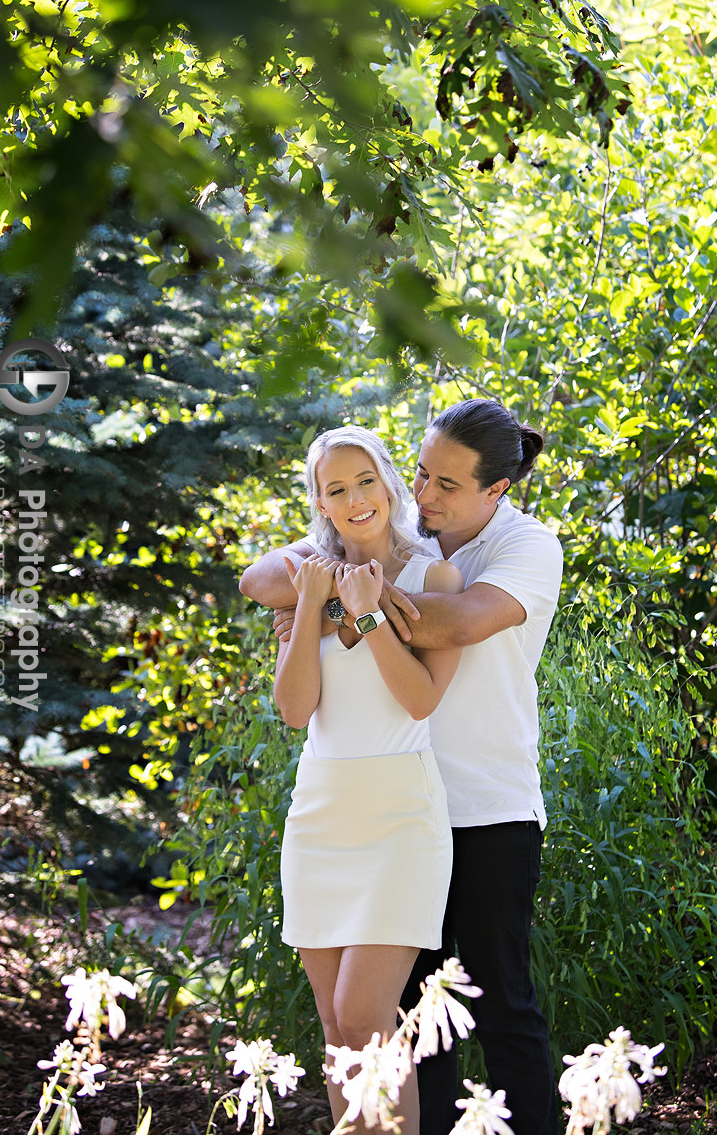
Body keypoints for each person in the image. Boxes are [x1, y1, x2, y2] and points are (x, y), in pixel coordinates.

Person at [239, 399, 563, 1135]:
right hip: (374, 800)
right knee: (414, 1021)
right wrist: (331, 589)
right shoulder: (387, 523)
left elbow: (458, 622)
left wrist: (339, 602)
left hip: (483, 805)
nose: (423, 496)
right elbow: (261, 579)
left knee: (498, 1005)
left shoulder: (525, 547)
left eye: (445, 485)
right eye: (419, 474)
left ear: (495, 490)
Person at [268, 424, 465, 1135]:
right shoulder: (306, 580)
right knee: (337, 1032)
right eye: (334, 490)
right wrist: (309, 602)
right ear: (320, 504)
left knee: (364, 1016)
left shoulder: (432, 578)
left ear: (387, 482)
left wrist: (366, 614)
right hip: (318, 814)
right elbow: (294, 712)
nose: (353, 500)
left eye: (363, 482)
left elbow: (419, 700)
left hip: (399, 818)